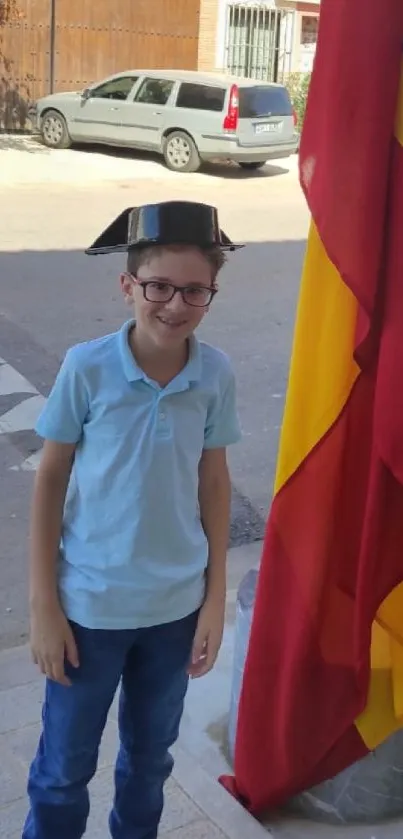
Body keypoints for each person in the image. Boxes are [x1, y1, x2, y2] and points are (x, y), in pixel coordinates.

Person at [23, 200, 243, 839]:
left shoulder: (215, 373)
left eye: (195, 290)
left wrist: (212, 600)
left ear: (212, 292)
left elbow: (214, 480)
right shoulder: (86, 368)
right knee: (64, 769)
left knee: (149, 763)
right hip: (88, 611)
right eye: (158, 286)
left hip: (174, 613)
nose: (175, 304)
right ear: (128, 286)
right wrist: (44, 605)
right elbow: (51, 478)